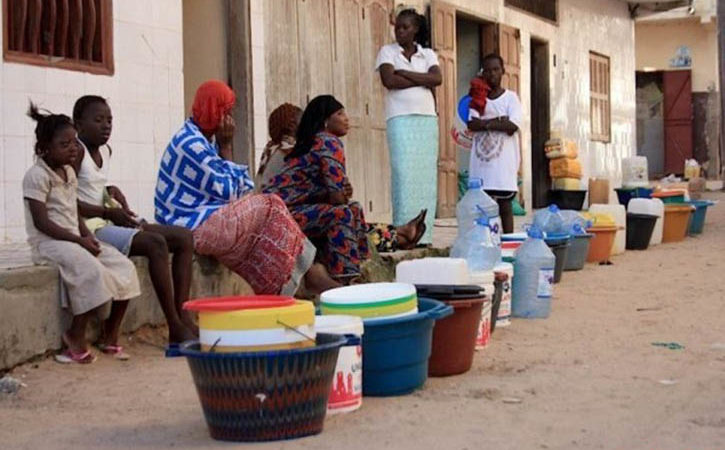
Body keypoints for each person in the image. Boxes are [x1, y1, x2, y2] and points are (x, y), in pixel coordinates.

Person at [155, 80, 340, 296]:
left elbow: (239, 189)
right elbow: (234, 193)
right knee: (271, 204)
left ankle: (298, 282)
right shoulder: (191, 143)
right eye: (227, 112)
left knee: (264, 229)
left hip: (206, 217)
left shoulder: (206, 139)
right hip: (190, 227)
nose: (230, 120)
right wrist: (227, 146)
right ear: (215, 110)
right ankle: (311, 275)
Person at [72, 96, 197, 344]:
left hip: (108, 220)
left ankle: (184, 317)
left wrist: (110, 191)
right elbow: (68, 200)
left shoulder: (105, 151)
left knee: (184, 237)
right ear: (79, 124)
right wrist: (107, 213)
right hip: (92, 228)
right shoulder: (76, 152)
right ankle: (173, 325)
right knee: (156, 244)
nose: (106, 125)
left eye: (109, 120)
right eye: (98, 120)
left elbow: (92, 185)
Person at [23, 103, 141, 364]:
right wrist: (79, 241)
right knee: (91, 269)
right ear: (44, 149)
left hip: (73, 238)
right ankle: (74, 335)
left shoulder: (67, 172)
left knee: (123, 267)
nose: (73, 149)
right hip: (49, 243)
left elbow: (72, 211)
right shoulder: (36, 176)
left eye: (74, 143)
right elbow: (42, 223)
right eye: (64, 145)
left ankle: (110, 335)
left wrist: (88, 236)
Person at [259, 102, 427, 254]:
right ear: (291, 126)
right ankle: (398, 237)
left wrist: (339, 189)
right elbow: (306, 192)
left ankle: (399, 235)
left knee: (351, 213)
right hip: (282, 216)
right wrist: (336, 190)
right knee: (345, 216)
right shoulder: (290, 151)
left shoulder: (275, 149)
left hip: (289, 210)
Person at [375, 7, 441, 246]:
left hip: (426, 119)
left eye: (405, 27)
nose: (399, 31)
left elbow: (437, 79)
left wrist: (406, 72)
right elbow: (389, 80)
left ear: (416, 30)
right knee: (403, 175)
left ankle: (426, 234)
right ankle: (403, 233)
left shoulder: (428, 54)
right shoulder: (387, 52)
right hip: (400, 119)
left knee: (426, 178)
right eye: (397, 27)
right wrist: (420, 78)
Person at [467, 53, 523, 234]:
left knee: (505, 207)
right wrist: (498, 121)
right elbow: (472, 124)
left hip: (503, 166)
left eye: (496, 70)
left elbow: (512, 125)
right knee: (483, 209)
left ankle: (507, 243)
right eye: (487, 70)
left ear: (503, 71)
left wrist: (486, 123)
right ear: (482, 73)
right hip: (482, 166)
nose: (492, 74)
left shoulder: (511, 98)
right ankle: (485, 243)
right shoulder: (477, 99)